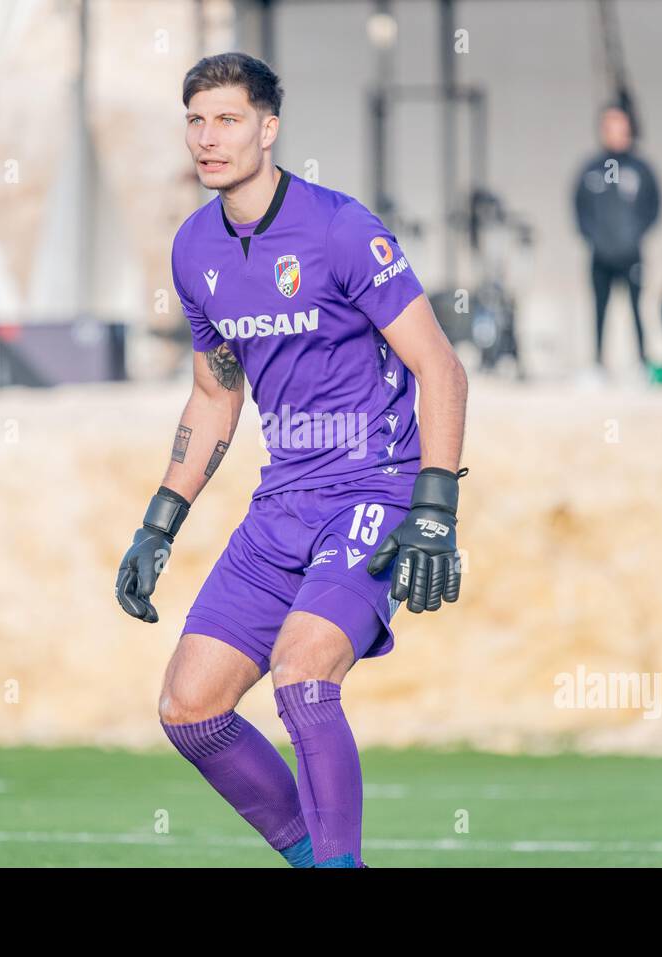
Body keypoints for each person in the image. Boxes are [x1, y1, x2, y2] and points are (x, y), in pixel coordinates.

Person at [114, 53, 470, 868]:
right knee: (188, 706)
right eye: (196, 121)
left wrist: (435, 507)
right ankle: (319, 859)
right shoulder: (194, 249)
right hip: (284, 502)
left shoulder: (342, 228)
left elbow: (440, 368)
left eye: (229, 119)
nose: (209, 138)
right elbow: (214, 396)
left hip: (374, 489)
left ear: (268, 130)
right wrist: (157, 523)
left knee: (303, 672)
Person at [573, 104, 661, 375]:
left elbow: (654, 206)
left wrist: (634, 236)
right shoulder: (591, 169)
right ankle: (598, 364)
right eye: (610, 126)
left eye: (620, 126)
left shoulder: (641, 169)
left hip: (631, 253)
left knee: (636, 308)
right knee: (599, 309)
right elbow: (579, 207)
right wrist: (594, 238)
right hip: (600, 254)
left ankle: (641, 364)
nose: (616, 132)